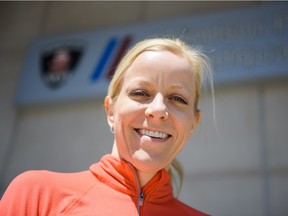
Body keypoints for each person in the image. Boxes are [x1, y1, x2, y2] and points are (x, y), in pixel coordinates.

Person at [0, 38, 213, 215]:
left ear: (194, 122)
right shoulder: (38, 195)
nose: (158, 109)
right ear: (110, 111)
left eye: (177, 98)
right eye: (140, 93)